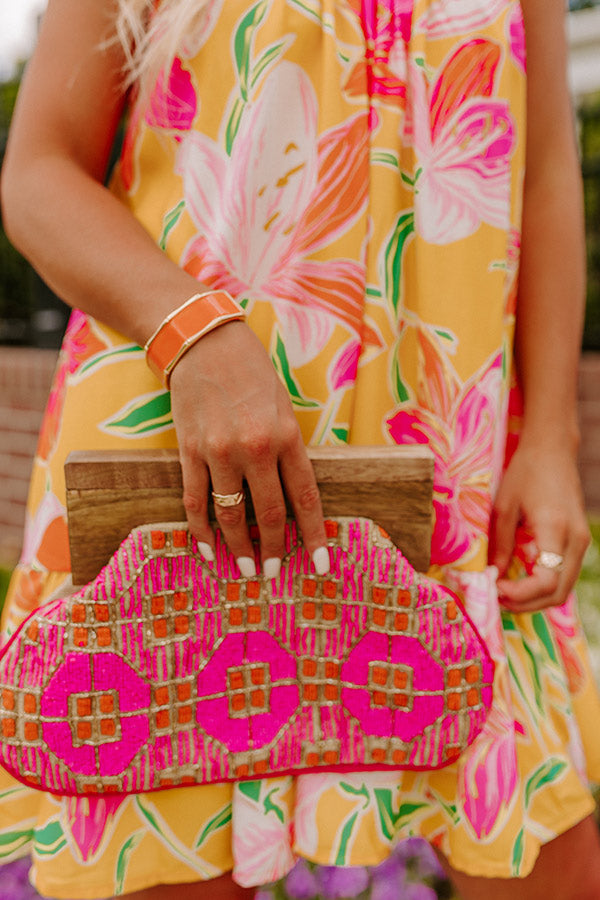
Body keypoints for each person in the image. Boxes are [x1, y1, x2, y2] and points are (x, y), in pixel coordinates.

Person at [1, 0, 600, 897]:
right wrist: (194, 333)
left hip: (451, 476)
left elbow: (547, 172)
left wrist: (551, 434)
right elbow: (38, 173)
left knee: (542, 856)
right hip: (187, 471)